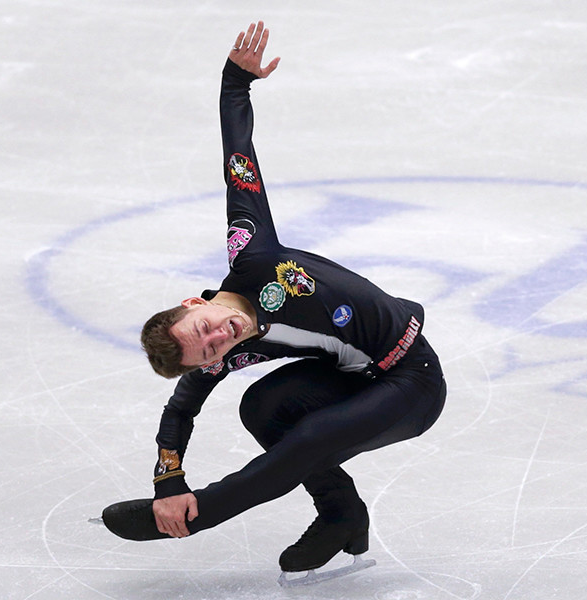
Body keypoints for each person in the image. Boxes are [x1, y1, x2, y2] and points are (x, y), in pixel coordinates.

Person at [113, 21, 446, 576]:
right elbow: (180, 409)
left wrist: (234, 85)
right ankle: (341, 514)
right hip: (355, 378)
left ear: (195, 304)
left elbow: (238, 163)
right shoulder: (224, 354)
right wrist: (168, 478)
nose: (219, 339)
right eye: (211, 352)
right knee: (263, 408)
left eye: (205, 330)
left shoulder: (252, 253)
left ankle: (197, 516)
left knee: (309, 436)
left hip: (411, 379)